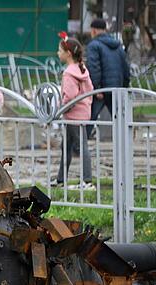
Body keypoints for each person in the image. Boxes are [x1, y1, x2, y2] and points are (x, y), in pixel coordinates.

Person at [56, 34, 94, 190]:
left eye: (60, 50)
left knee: (80, 146)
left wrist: (61, 107)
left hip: (72, 115)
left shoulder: (69, 73)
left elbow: (70, 96)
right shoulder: (82, 69)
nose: (58, 53)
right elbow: (90, 89)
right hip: (82, 112)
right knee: (67, 146)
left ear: (68, 54)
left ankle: (87, 180)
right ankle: (60, 179)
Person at [86, 18, 130, 138]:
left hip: (102, 90)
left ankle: (78, 147)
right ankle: (125, 144)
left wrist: (96, 88)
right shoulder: (118, 46)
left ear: (94, 30)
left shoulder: (93, 46)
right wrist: (124, 86)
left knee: (89, 119)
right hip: (117, 89)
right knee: (120, 120)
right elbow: (126, 68)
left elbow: (94, 67)